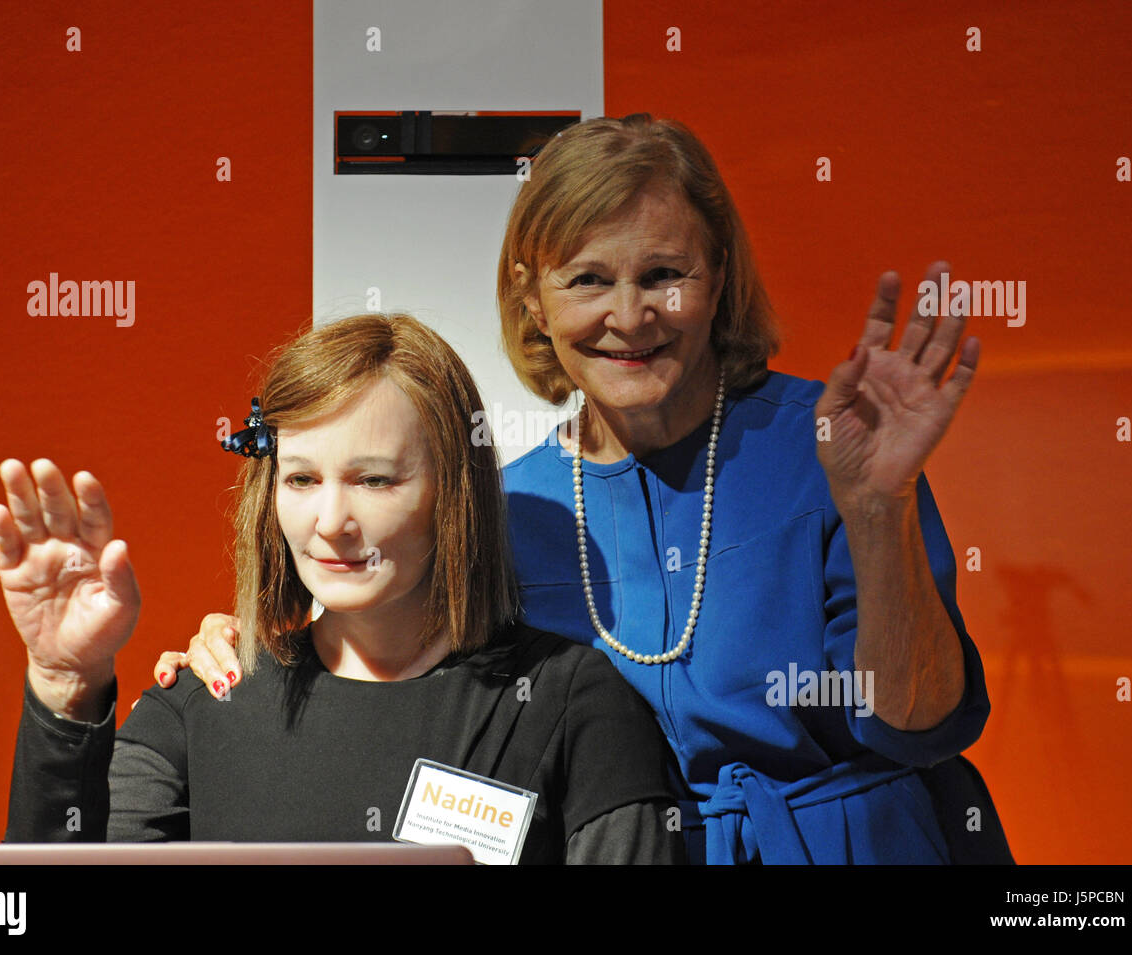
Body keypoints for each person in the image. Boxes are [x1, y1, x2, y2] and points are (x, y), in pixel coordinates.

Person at [157, 114, 1013, 865]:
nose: (631, 315)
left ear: (717, 277)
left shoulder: (834, 448)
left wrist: (879, 509)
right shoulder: (506, 507)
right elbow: (401, 676)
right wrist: (238, 653)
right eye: (589, 279)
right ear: (532, 300)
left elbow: (920, 721)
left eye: (664, 274)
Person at [0, 312, 685, 864]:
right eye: (300, 479)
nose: (329, 523)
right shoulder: (204, 699)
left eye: (374, 479)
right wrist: (63, 680)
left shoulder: (569, 701)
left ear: (453, 493)